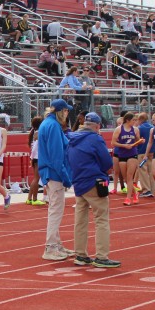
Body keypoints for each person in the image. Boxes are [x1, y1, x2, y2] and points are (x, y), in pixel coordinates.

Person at [68, 113, 120, 268]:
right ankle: (101, 256)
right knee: (101, 219)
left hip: (78, 182)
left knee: (80, 221)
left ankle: (80, 255)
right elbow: (106, 162)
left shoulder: (72, 138)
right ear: (97, 126)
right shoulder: (95, 139)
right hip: (94, 181)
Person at [38, 100, 73, 259]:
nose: (67, 114)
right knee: (56, 211)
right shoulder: (53, 126)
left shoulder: (47, 124)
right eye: (66, 111)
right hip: (54, 173)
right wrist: (66, 177)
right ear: (61, 111)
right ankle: (51, 247)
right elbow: (57, 156)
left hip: (50, 172)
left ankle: (57, 245)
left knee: (55, 209)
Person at [113, 112, 144, 206]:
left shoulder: (135, 129)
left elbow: (137, 141)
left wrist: (141, 141)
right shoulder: (119, 129)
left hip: (132, 154)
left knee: (130, 176)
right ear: (127, 120)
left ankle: (128, 198)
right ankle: (135, 193)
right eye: (133, 120)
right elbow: (113, 143)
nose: (135, 122)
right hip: (122, 154)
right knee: (126, 178)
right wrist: (124, 145)